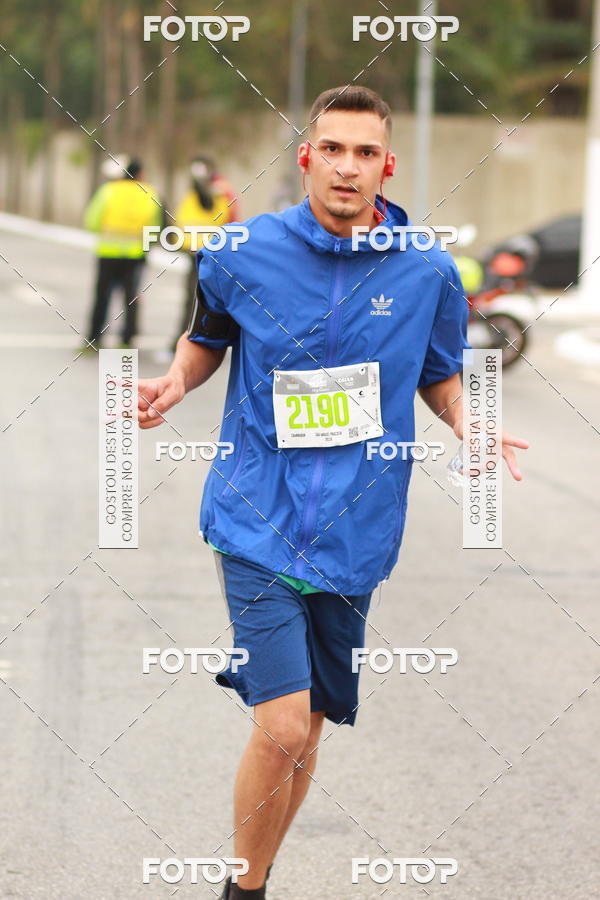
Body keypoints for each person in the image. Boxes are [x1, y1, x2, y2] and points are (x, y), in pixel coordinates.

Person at [137, 86, 529, 899]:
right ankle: (242, 890)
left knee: (306, 735)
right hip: (255, 516)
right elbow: (207, 339)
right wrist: (177, 379)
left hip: (358, 527)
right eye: (332, 148)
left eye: (364, 152)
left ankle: (259, 874)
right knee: (281, 724)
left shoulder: (426, 269)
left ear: (386, 164)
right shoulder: (242, 250)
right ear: (306, 156)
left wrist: (470, 422)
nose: (347, 166)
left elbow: (441, 373)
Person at [83, 156, 162, 350]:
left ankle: (94, 338)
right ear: (140, 174)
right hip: (135, 256)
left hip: (108, 253)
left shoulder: (108, 191)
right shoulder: (149, 193)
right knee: (131, 298)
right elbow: (156, 227)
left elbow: (91, 221)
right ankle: (127, 339)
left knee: (102, 296)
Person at [168, 156, 240, 353]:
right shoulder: (215, 191)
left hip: (208, 251)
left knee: (198, 298)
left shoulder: (216, 191)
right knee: (197, 298)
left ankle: (191, 341)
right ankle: (192, 339)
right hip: (202, 250)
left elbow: (226, 218)